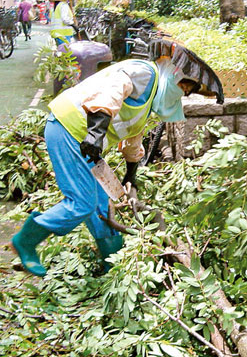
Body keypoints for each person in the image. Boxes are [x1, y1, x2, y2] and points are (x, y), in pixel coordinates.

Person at [10, 40, 224, 278]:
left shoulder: (149, 101)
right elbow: (113, 89)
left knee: (102, 206)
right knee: (82, 203)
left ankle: (113, 268)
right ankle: (26, 241)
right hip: (68, 128)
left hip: (86, 143)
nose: (184, 93)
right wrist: (96, 132)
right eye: (185, 87)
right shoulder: (146, 73)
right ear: (174, 75)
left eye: (189, 91)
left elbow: (133, 140)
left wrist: (131, 177)